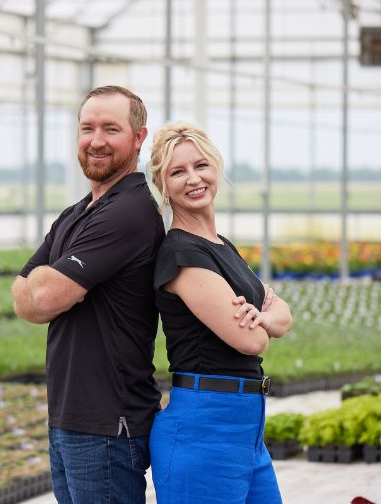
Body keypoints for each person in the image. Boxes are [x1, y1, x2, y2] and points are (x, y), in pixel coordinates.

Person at [11, 85, 165, 503]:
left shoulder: (128, 211)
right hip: (69, 418)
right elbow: (23, 299)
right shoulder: (77, 212)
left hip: (107, 424)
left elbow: (42, 297)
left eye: (110, 129)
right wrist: (46, 286)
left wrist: (46, 283)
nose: (95, 140)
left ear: (138, 137)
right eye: (87, 128)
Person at [147, 121, 292, 503]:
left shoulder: (220, 245)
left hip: (246, 431)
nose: (193, 179)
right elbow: (251, 340)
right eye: (177, 172)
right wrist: (265, 322)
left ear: (216, 167)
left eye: (200, 166)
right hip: (202, 431)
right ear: (162, 186)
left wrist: (263, 317)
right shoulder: (182, 255)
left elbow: (283, 313)